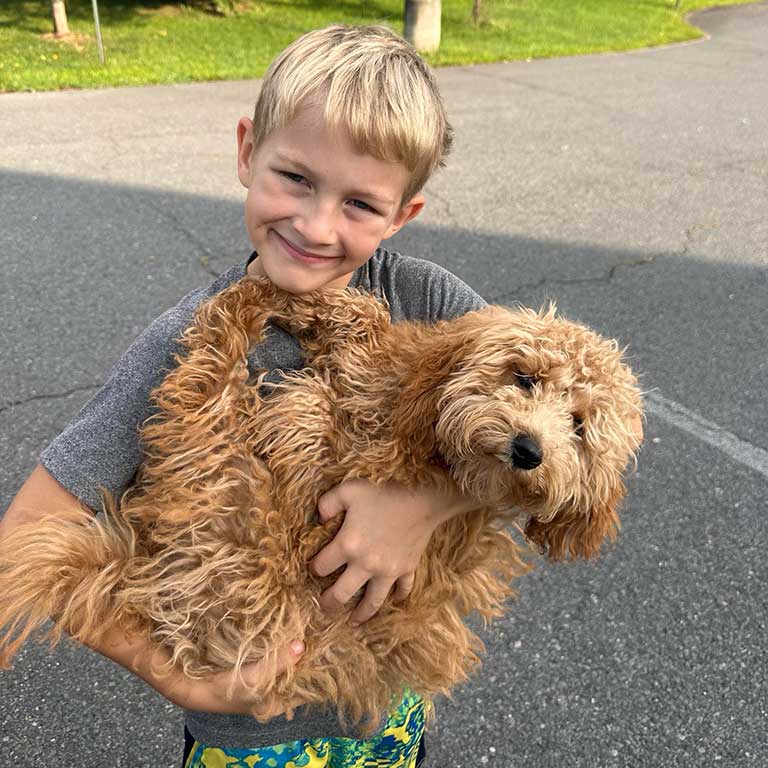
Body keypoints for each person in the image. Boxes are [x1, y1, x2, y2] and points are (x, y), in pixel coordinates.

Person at [0, 24, 489, 768]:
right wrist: (179, 680)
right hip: (253, 747)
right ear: (245, 152)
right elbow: (22, 541)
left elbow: (562, 438)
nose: (316, 224)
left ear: (403, 215)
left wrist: (421, 507)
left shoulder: (434, 304)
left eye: (361, 204)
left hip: (390, 717)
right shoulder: (181, 347)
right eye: (295, 177)